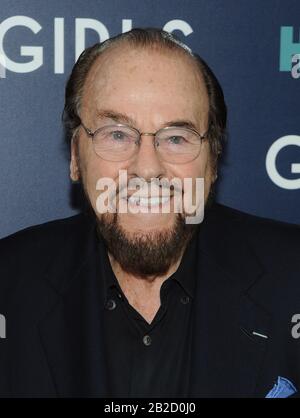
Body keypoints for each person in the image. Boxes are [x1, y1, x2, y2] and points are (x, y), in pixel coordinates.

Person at [0, 28, 299, 398]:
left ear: (213, 161)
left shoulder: (293, 278)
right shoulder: (8, 284)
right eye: (117, 134)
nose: (146, 168)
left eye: (176, 138)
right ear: (76, 157)